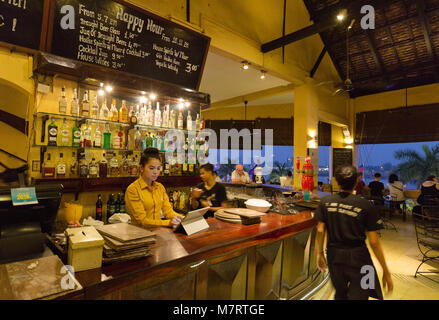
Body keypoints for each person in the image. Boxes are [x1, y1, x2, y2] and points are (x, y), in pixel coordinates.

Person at [314, 165, 393, 300]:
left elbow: (320, 230)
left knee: (340, 293)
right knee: (363, 293)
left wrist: (320, 254)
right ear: (356, 182)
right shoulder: (366, 205)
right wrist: (386, 271)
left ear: (337, 182)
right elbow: (374, 242)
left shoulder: (325, 202)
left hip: (334, 255)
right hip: (360, 257)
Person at [125, 148, 183, 228]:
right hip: (139, 235)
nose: (156, 172)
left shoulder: (160, 187)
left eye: (158, 168)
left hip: (157, 232)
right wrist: (168, 223)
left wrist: (182, 218)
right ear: (141, 167)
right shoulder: (133, 190)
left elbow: (168, 212)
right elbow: (142, 221)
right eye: (151, 168)